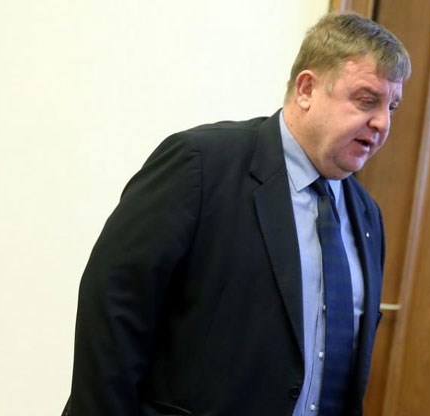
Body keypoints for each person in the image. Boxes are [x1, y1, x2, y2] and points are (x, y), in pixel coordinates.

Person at [64, 12, 410, 416]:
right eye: (366, 100)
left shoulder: (367, 216)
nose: (382, 122)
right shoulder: (201, 165)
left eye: (392, 107)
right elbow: (113, 310)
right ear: (306, 89)